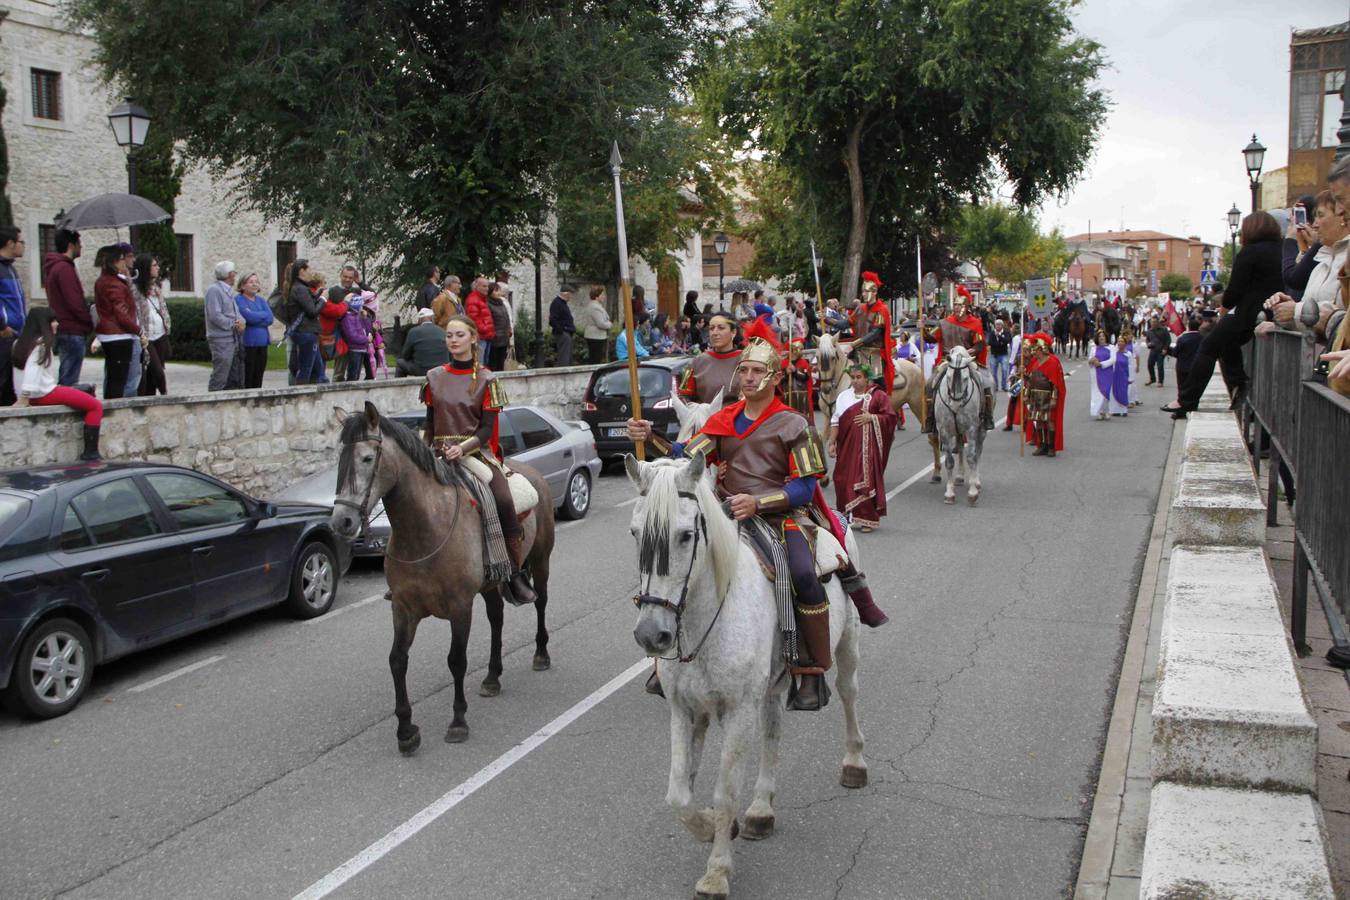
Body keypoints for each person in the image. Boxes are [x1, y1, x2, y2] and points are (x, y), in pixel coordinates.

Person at [626, 338, 888, 708]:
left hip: (782, 517)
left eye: (757, 371)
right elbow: (687, 456)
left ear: (775, 377)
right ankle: (669, 662)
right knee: (678, 565)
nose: (748, 378)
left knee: (801, 572)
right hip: (727, 512)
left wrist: (759, 501)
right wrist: (650, 436)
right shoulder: (724, 420)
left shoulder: (793, 423)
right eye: (744, 370)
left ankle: (809, 668)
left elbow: (806, 484)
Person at [424, 314, 536, 605]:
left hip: (475, 454)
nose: (453, 340)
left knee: (502, 497)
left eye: (459, 335)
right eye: (449, 335)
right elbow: (431, 424)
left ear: (473, 338)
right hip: (438, 453)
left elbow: (486, 430)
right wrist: (423, 454)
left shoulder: (487, 378)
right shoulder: (434, 377)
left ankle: (513, 571)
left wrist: (462, 449)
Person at [1165, 212, 1283, 418]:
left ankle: (1187, 400)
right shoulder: (1282, 249)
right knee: (1227, 339)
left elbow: (1234, 293)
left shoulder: (1249, 253)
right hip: (1273, 310)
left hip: (1251, 313)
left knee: (1208, 347)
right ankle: (1238, 382)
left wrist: (1224, 303)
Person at [11, 308, 104, 460]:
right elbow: (32, 371)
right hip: (44, 394)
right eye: (53, 321)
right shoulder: (41, 345)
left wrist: (21, 394)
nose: (57, 324)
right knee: (96, 406)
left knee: (79, 391)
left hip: (36, 394)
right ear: (44, 324)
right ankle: (91, 452)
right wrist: (24, 397)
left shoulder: (19, 343)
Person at [1262, 191, 1347, 339]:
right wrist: (1285, 309)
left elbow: (1340, 313)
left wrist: (1295, 310)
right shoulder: (1322, 263)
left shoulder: (1345, 259)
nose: (1314, 224)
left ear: (1342, 216)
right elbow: (1309, 320)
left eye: (1320, 215)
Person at [828, 363, 898, 532]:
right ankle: (845, 513)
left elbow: (890, 417)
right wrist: (832, 442)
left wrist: (872, 417)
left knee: (864, 480)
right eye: (852, 377)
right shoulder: (844, 396)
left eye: (859, 377)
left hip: (868, 450)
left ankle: (867, 519)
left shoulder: (878, 396)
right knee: (841, 478)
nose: (855, 381)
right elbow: (836, 421)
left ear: (867, 378)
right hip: (846, 447)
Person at [923, 286, 994, 431]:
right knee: (930, 383)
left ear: (966, 307)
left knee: (985, 383)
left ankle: (987, 417)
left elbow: (980, 344)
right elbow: (932, 338)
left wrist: (969, 352)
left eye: (959, 305)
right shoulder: (944, 322)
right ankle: (930, 419)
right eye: (955, 304)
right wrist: (923, 329)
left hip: (967, 361)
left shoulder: (975, 323)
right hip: (947, 360)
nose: (956, 307)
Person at [44, 229, 92, 387]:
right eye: (79, 243)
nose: (82, 246)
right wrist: (88, 321)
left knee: (68, 373)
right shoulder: (64, 269)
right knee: (69, 378)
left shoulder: (57, 267)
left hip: (66, 328)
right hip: (72, 329)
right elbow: (74, 301)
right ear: (71, 245)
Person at [94, 245, 143, 399]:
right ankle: (113, 414)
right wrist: (139, 330)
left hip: (113, 335)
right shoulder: (113, 283)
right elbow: (122, 314)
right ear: (114, 262)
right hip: (118, 336)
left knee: (115, 378)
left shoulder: (105, 280)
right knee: (118, 380)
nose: (125, 262)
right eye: (122, 259)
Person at [678, 312, 743, 406]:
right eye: (711, 328)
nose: (715, 333)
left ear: (733, 332)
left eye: (721, 328)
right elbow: (683, 395)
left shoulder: (746, 360)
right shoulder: (695, 362)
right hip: (705, 419)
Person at [133, 254, 172, 395]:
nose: (158, 268)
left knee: (152, 376)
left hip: (160, 334)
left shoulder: (156, 289)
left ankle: (151, 401)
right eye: (154, 265)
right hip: (146, 336)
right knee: (158, 372)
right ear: (146, 268)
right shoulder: (135, 291)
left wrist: (167, 325)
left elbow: (163, 309)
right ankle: (166, 398)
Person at [282, 259, 324, 385]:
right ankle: (301, 397)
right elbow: (312, 311)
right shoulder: (300, 289)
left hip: (308, 332)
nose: (311, 272)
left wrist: (317, 296)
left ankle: (313, 398)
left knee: (317, 369)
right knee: (306, 368)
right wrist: (323, 299)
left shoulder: (300, 288)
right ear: (302, 271)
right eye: (309, 269)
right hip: (305, 332)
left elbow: (306, 305)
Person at [205, 261, 245, 391]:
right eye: (234, 273)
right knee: (221, 374)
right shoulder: (214, 290)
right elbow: (215, 315)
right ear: (230, 274)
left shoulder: (229, 291)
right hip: (221, 339)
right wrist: (233, 324)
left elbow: (235, 312)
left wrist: (241, 322)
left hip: (233, 338)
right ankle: (213, 402)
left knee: (234, 375)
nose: (235, 276)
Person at [1023, 334, 1065, 456]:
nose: (1032, 352)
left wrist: (1054, 398)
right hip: (1036, 396)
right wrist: (1026, 393)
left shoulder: (1052, 362)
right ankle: (1042, 445)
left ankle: (1051, 447)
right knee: (1039, 420)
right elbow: (1031, 381)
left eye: (1035, 349)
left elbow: (1055, 384)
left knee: (1049, 421)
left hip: (1047, 396)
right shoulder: (1035, 363)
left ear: (1042, 349)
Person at [0, 224, 26, 405]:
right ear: (10, 243)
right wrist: (2, 325)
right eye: (20, 242)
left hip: (16, 334)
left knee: (12, 384)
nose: (23, 245)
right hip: (4, 334)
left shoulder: (10, 268)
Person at [235, 273, 273, 389]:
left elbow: (270, 318)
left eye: (256, 281)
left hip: (262, 343)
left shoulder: (261, 300)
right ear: (243, 285)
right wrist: (262, 315)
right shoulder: (239, 300)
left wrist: (255, 316)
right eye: (251, 282)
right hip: (249, 343)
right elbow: (247, 317)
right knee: (248, 375)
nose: (254, 284)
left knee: (259, 374)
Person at [396, 308, 450, 377]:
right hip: (442, 369)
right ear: (432, 319)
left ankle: (401, 387)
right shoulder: (442, 331)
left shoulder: (413, 331)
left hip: (422, 370)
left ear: (419, 320)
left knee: (400, 363)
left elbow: (405, 355)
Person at [1169, 316, 1203, 404]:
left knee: (1182, 388)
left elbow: (1175, 353)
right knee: (1194, 388)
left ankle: (1182, 408)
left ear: (1188, 327)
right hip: (1197, 367)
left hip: (1183, 368)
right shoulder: (1203, 338)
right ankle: (1193, 404)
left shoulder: (1182, 339)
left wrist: (1169, 350)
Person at [463, 276, 495, 361]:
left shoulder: (482, 299)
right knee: (479, 363)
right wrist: (485, 329)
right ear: (476, 286)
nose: (487, 289)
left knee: (484, 363)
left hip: (486, 336)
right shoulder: (473, 299)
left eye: (487, 286)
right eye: (484, 286)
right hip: (480, 337)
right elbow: (473, 319)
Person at [1087, 330, 1115, 421]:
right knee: (1097, 392)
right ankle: (1099, 411)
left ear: (1106, 337)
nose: (1101, 338)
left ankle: (1106, 411)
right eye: (1099, 336)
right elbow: (1090, 360)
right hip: (1096, 373)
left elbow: (1113, 360)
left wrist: (1101, 364)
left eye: (1103, 336)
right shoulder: (1094, 348)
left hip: (1107, 372)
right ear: (1097, 338)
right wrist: (1091, 361)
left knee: (1106, 392)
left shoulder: (1111, 347)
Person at [485, 282, 513, 371]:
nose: (498, 293)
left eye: (499, 290)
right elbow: (489, 321)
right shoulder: (488, 304)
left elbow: (506, 318)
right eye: (496, 291)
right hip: (495, 339)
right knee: (493, 363)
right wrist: (494, 334)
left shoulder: (502, 303)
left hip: (504, 337)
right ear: (490, 292)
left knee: (501, 363)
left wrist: (509, 330)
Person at [581, 286, 611, 363]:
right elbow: (600, 323)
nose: (604, 296)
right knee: (595, 358)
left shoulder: (596, 306)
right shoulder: (595, 307)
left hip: (596, 336)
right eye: (602, 295)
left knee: (596, 357)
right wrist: (609, 324)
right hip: (595, 336)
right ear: (597, 296)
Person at [549, 285, 576, 366]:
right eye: (570, 294)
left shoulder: (562, 303)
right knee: (564, 357)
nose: (571, 297)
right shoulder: (557, 303)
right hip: (563, 334)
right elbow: (553, 320)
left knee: (568, 356)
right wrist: (562, 331)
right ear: (566, 294)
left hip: (567, 333)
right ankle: (563, 374)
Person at [1144, 315, 1172, 387]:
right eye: (1152, 322)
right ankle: (1152, 379)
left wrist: (1165, 349)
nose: (1153, 323)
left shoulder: (1164, 330)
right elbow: (1147, 339)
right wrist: (1148, 343)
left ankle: (1160, 381)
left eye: (1154, 322)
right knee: (1150, 365)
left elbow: (1168, 340)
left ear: (1158, 322)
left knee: (1160, 366)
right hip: (1153, 350)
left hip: (1161, 350)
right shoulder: (1150, 330)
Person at [1111, 334, 1133, 416]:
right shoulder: (1113, 353)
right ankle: (1115, 410)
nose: (1120, 343)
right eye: (1119, 341)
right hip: (1115, 375)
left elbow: (1131, 366)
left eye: (1122, 341)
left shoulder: (1128, 354)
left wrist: (1130, 378)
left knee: (1123, 392)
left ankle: (1123, 410)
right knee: (1114, 392)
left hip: (1124, 375)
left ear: (1125, 343)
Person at [987, 318, 1011, 391]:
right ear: (995, 325)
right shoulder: (991, 333)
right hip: (994, 355)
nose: (998, 326)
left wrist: (999, 337)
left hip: (1003, 354)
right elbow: (990, 342)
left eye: (999, 324)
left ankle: (1004, 386)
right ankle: (996, 386)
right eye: (996, 325)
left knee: (1004, 370)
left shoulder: (1006, 332)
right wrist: (1000, 343)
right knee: (993, 372)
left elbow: (1007, 341)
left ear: (1002, 325)